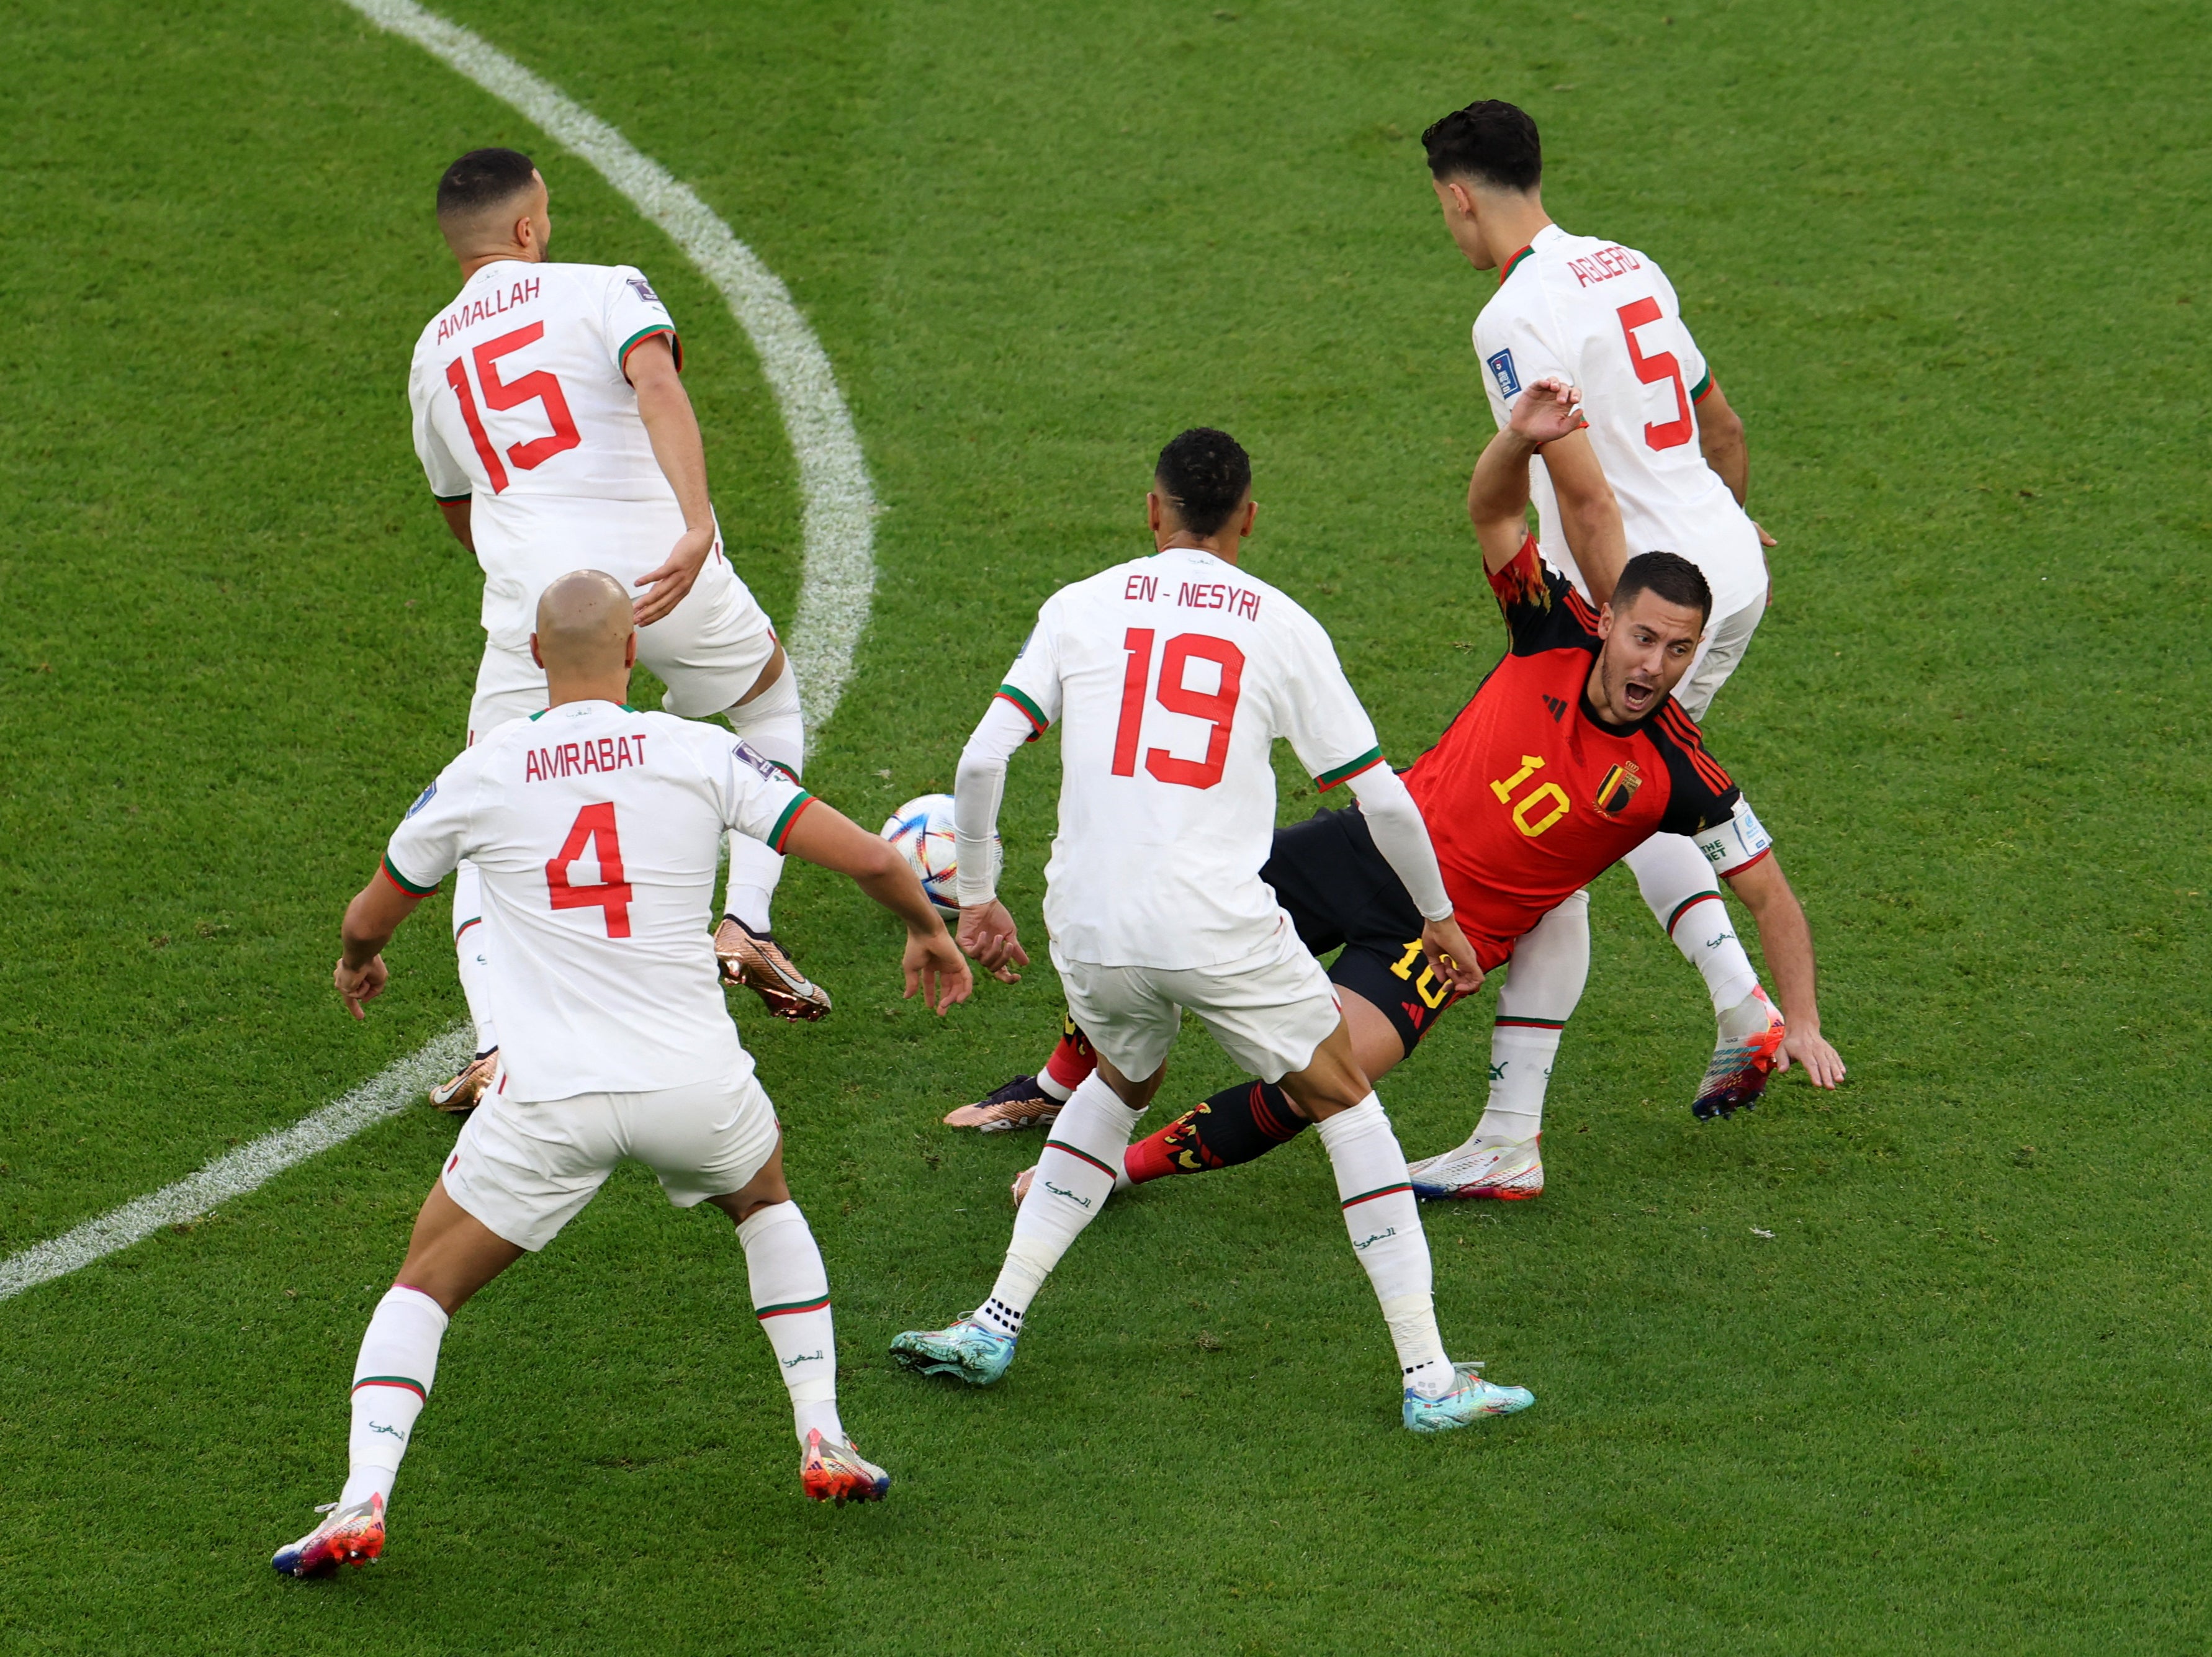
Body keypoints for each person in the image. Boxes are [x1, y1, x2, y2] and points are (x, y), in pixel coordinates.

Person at [271, 572, 971, 1579]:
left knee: (422, 1285)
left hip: (548, 1097)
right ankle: (823, 1432)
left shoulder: (485, 767)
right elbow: (864, 853)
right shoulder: (697, 751)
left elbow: (372, 910)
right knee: (766, 1200)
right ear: (634, 653)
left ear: (535, 656)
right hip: (694, 1082)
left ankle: (362, 1496)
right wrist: (924, 927)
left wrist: (355, 960)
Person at [1007, 380, 1842, 1208]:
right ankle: (1060, 1080)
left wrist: (1798, 1018)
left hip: (1434, 946)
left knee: (1317, 1080)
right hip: (1366, 846)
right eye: (1644, 636)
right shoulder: (1549, 625)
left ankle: (1116, 1168)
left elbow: (1772, 895)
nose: (1654, 664)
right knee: (1161, 909)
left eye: (1678, 649)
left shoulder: (1681, 770)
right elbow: (1494, 516)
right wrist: (1518, 440)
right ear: (1611, 619)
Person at [889, 429, 1534, 1434]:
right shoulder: (1279, 624)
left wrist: (977, 895)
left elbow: (980, 761)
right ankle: (1431, 1377)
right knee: (1345, 1100)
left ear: (1151, 511)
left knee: (1116, 1080)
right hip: (1216, 921)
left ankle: (994, 1319)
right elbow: (1388, 805)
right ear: (1249, 517)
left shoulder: (1079, 606)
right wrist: (1442, 923)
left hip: (1089, 920)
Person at [407, 147, 829, 1119]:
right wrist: (694, 523)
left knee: (482, 807)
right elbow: (658, 386)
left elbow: (455, 502)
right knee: (765, 699)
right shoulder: (604, 287)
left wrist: (522, 575)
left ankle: (496, 1042)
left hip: (536, 614)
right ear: (528, 228)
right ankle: (746, 921)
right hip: (660, 575)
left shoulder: (432, 351)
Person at [1421, 96, 1801, 1141]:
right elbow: (1719, 421)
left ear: (1459, 199)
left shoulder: (1509, 317)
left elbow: (1583, 498)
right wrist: (1728, 518)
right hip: (1725, 570)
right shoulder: (1630, 262)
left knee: (1600, 803)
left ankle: (1735, 1009)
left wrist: (1625, 626)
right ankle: (1518, 1128)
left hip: (1634, 590)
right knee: (1620, 805)